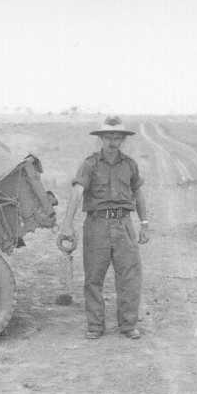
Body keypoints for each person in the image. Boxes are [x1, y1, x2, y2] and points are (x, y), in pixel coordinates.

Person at [57, 116, 149, 339]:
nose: (112, 142)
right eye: (108, 137)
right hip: (97, 225)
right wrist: (67, 225)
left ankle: (128, 325)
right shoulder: (90, 164)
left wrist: (144, 223)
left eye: (117, 137)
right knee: (94, 278)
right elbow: (77, 192)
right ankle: (96, 326)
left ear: (122, 140)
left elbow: (137, 192)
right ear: (101, 139)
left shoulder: (130, 165)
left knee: (129, 276)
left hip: (124, 225)